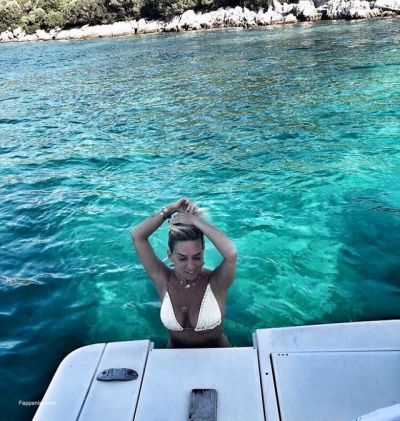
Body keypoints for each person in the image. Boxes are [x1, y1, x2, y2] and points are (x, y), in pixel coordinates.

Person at [131, 198, 237, 348]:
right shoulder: (163, 279)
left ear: (203, 254)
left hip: (218, 353)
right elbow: (137, 236)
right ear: (170, 255)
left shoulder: (216, 282)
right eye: (182, 258)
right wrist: (171, 208)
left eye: (197, 257)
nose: (191, 266)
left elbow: (231, 253)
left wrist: (195, 221)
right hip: (174, 355)